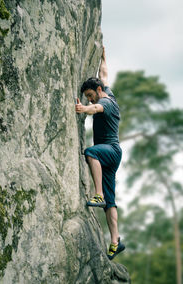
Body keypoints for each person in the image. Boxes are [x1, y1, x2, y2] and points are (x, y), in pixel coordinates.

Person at [75, 47, 125, 260]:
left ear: (97, 90)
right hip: (112, 156)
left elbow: (96, 109)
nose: (89, 100)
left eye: (90, 96)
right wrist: (104, 58)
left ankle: (98, 194)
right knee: (110, 204)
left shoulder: (106, 102)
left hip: (109, 151)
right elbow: (104, 74)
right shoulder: (107, 90)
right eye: (87, 98)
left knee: (90, 152)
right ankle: (115, 242)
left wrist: (84, 109)